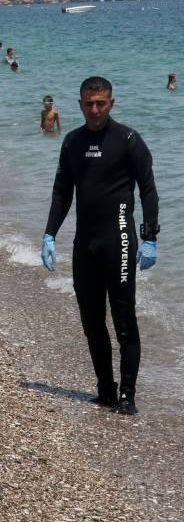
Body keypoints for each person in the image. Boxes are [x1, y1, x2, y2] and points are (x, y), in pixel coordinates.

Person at [41, 76, 159, 416]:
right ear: (80, 104)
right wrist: (49, 234)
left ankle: (127, 395)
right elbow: (62, 192)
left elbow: (148, 189)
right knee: (91, 322)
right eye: (89, 103)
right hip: (85, 245)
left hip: (119, 241)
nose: (95, 110)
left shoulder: (128, 140)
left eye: (101, 103)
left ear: (111, 103)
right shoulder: (72, 142)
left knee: (124, 321)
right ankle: (105, 390)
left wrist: (150, 237)